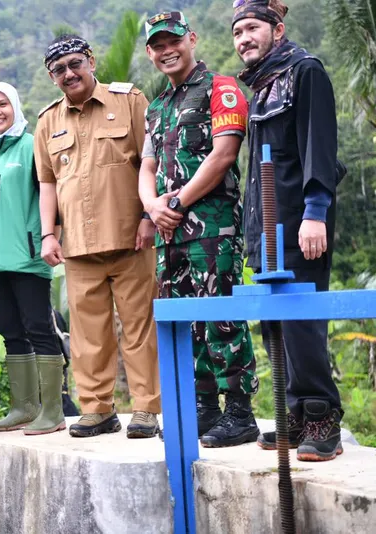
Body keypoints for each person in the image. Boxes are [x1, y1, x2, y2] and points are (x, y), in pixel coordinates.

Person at [232, 0, 345, 461]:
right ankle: (294, 414)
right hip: (266, 230)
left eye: (253, 28)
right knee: (274, 324)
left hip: (300, 224)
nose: (244, 39)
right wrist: (251, 232)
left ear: (277, 30)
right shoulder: (262, 86)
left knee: (302, 322)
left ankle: (322, 417)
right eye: (238, 32)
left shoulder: (305, 72)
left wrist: (316, 212)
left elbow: (319, 145)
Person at [139, 11, 259, 448]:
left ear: (191, 39)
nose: (166, 50)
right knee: (188, 324)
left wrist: (176, 202)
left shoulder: (220, 89)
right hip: (170, 234)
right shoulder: (157, 108)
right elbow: (146, 166)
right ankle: (205, 409)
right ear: (150, 53)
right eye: (157, 45)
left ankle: (240, 413)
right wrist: (153, 207)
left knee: (222, 317)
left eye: (173, 40)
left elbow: (224, 154)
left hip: (212, 228)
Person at [34, 34, 162, 439]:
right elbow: (47, 184)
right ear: (51, 77)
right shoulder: (47, 121)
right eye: (59, 70)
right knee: (88, 334)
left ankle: (146, 409)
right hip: (78, 246)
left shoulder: (129, 100)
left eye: (75, 63)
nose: (69, 73)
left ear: (90, 61)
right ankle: (97, 409)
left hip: (131, 237)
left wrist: (148, 216)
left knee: (141, 325)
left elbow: (151, 163)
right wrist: (47, 235)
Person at [0, 82, 65, 436]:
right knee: (10, 331)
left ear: (15, 107)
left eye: (3, 104)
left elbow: (51, 192)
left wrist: (50, 235)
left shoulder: (31, 146)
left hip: (28, 256)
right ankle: (23, 407)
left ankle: (53, 410)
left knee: (39, 329)